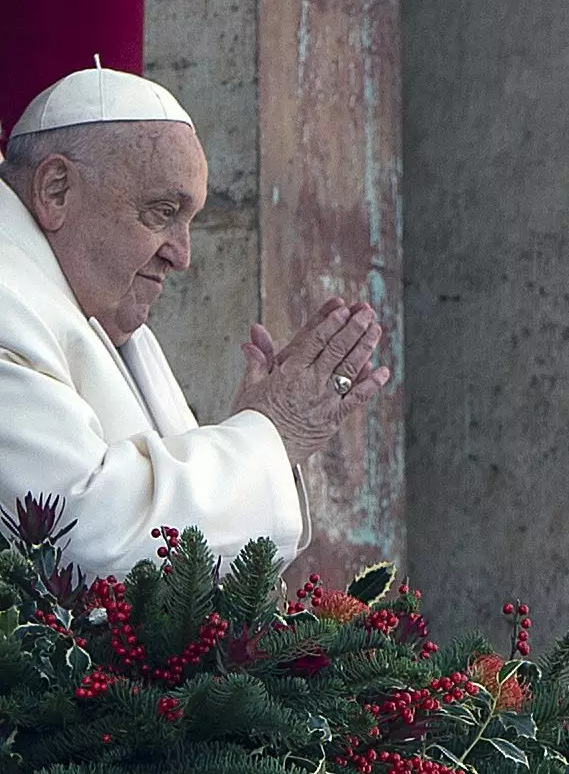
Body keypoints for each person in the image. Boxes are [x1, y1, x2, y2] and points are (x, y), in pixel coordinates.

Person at [0, 66, 390, 576]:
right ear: (56, 190)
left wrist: (255, 439)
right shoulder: (10, 304)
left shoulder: (106, 317)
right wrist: (270, 433)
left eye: (190, 221)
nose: (182, 257)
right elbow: (79, 536)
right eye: (162, 212)